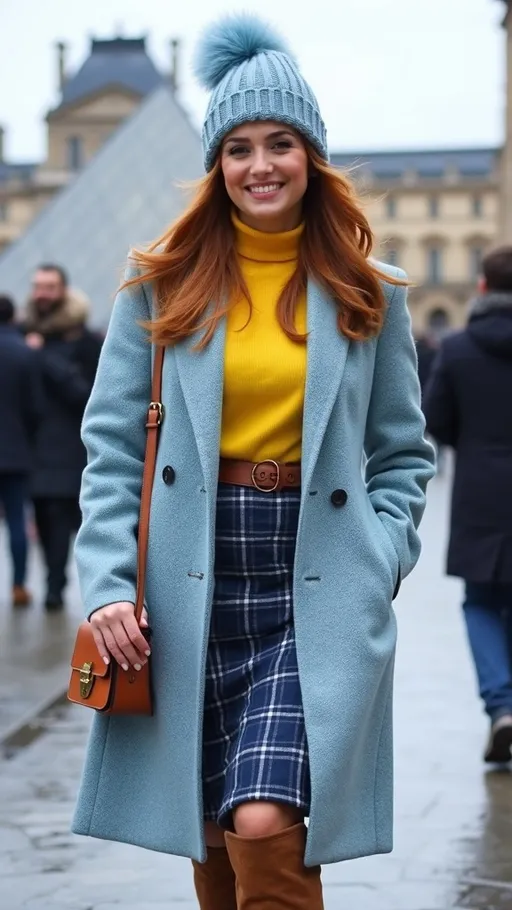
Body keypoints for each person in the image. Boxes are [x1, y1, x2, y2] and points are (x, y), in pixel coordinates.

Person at [72, 14, 435, 909]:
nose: (260, 164)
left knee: (267, 815)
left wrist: (380, 556)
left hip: (318, 572)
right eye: (238, 147)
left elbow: (402, 453)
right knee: (207, 823)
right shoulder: (161, 282)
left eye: (280, 143)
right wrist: (109, 584)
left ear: (311, 156)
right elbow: (113, 451)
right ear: (215, 165)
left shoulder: (368, 291)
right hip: (187, 575)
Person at [424, 245, 512, 765]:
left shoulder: (457, 349)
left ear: (481, 287)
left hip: (479, 489)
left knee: (480, 601)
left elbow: (435, 419)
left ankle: (502, 706)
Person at [24, 264, 102, 610]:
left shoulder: (86, 341)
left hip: (70, 448)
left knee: (60, 519)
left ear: (63, 291)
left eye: (50, 287)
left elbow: (91, 395)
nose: (43, 293)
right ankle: (51, 581)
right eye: (38, 286)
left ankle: (58, 587)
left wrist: (45, 360)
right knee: (42, 515)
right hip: (34, 447)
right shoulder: (24, 335)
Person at [0, 294, 44, 607]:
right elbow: (36, 407)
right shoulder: (24, 353)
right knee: (17, 519)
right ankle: (18, 585)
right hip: (14, 451)